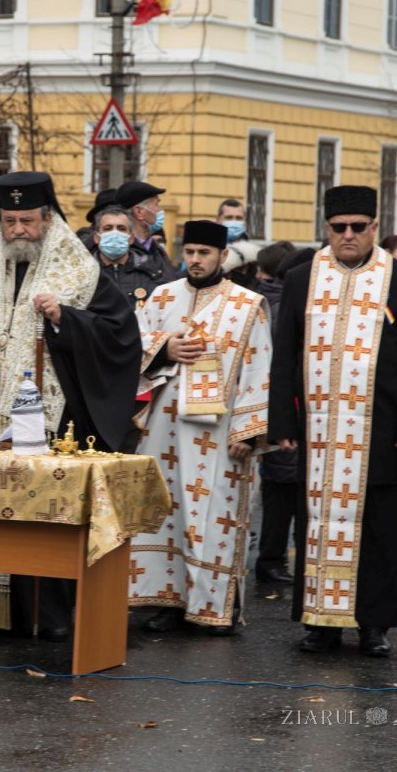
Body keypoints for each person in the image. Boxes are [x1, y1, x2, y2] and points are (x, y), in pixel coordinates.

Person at [0, 171, 142, 641]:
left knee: (44, 517)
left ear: (47, 218)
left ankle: (49, 616)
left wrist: (65, 319)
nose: (19, 230)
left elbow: (120, 334)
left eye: (28, 221)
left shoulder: (78, 268)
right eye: (10, 220)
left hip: (54, 419)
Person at [269, 185, 397, 658]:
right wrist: (282, 420)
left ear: (374, 228)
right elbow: (286, 355)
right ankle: (319, 623)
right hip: (319, 431)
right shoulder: (303, 277)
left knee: (380, 529)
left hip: (378, 428)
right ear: (326, 229)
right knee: (315, 524)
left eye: (358, 227)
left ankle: (373, 625)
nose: (347, 236)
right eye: (338, 228)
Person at [128, 220, 272, 636]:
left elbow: (259, 368)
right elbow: (131, 343)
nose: (195, 260)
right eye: (189, 252)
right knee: (167, 511)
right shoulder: (161, 297)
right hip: (163, 427)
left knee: (213, 515)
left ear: (222, 256)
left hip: (218, 431)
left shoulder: (247, 305)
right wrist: (162, 348)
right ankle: (169, 601)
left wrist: (248, 429)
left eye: (203, 253)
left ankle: (211, 607)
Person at [252, 241, 299, 584]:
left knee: (280, 489)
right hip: (286, 409)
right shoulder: (282, 307)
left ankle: (273, 557)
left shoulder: (268, 303)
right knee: (284, 491)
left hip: (278, 410)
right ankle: (272, 559)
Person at [90, 205, 164, 309]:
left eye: (121, 229)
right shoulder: (85, 273)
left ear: (131, 239)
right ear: (96, 238)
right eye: (108, 228)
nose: (115, 234)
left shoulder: (151, 272)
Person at [115, 180, 178, 281]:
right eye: (156, 204)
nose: (160, 210)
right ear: (139, 211)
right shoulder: (119, 251)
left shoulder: (157, 250)